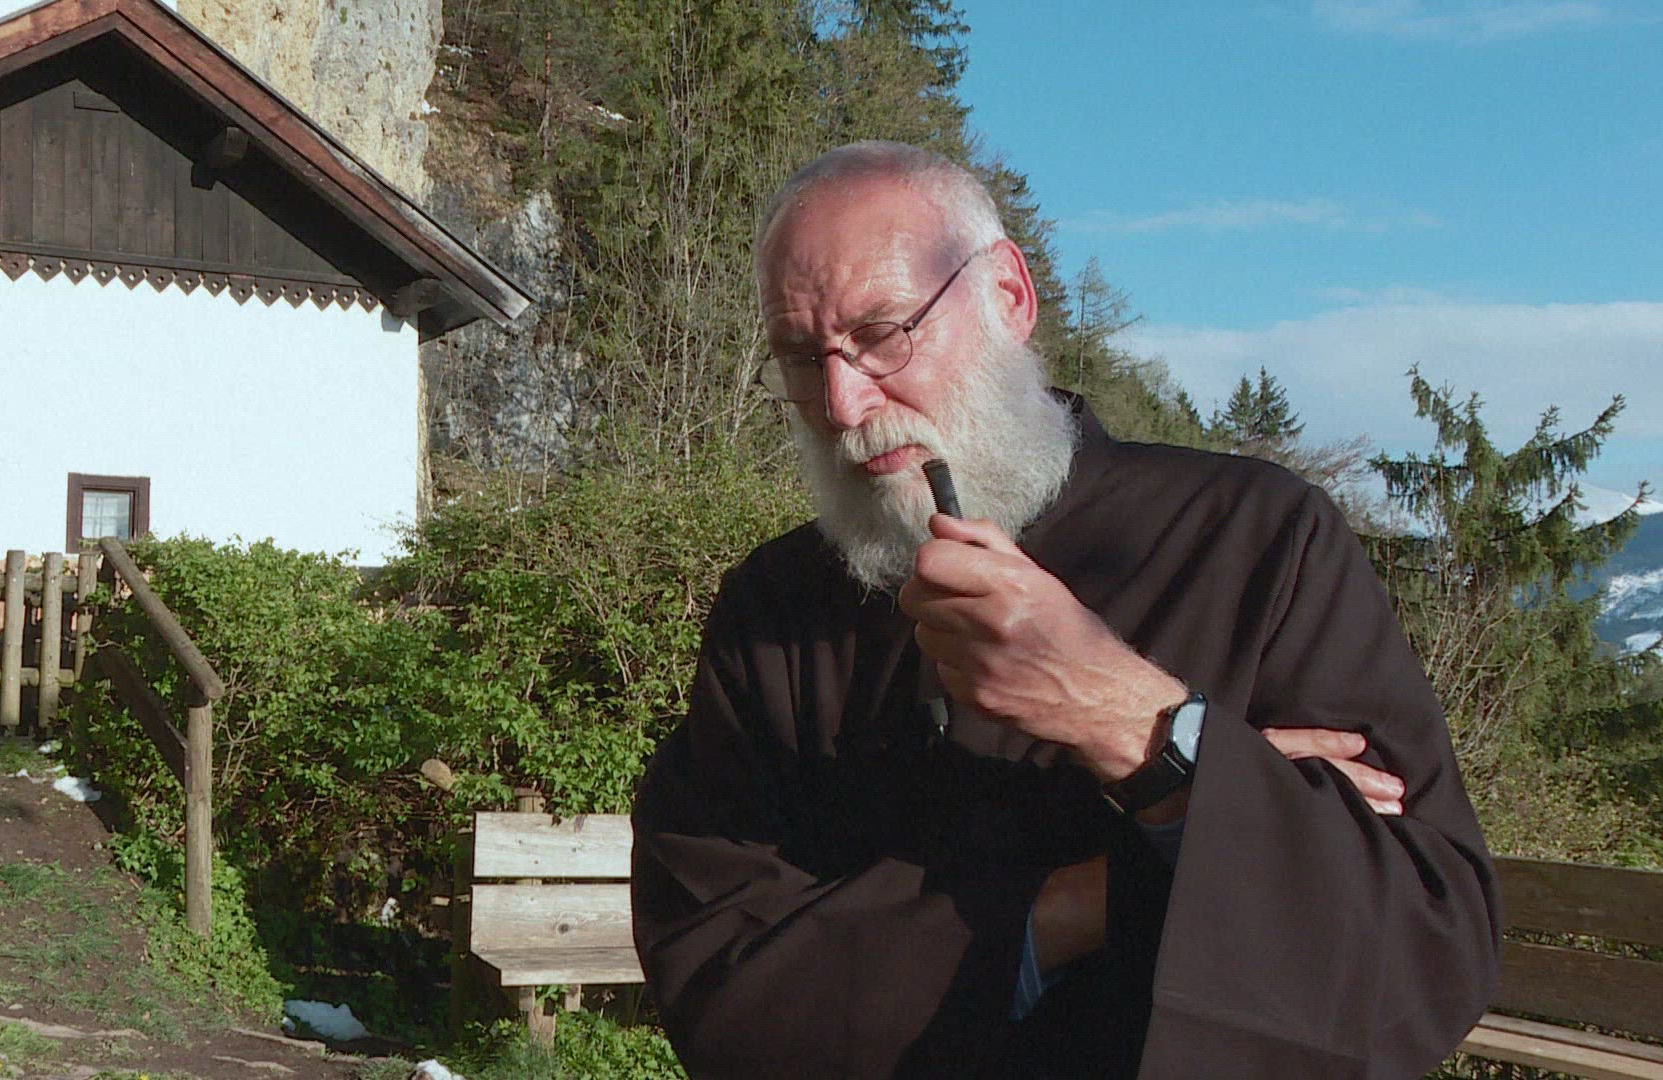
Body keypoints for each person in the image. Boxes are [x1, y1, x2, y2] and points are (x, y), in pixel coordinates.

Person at [630, 142, 1500, 1079]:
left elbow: (1423, 953)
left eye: (881, 334)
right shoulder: (776, 611)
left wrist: (1127, 716)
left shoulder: (1256, 540)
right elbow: (719, 981)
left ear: (1008, 297)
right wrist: (1110, 891)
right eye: (803, 358)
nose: (842, 403)